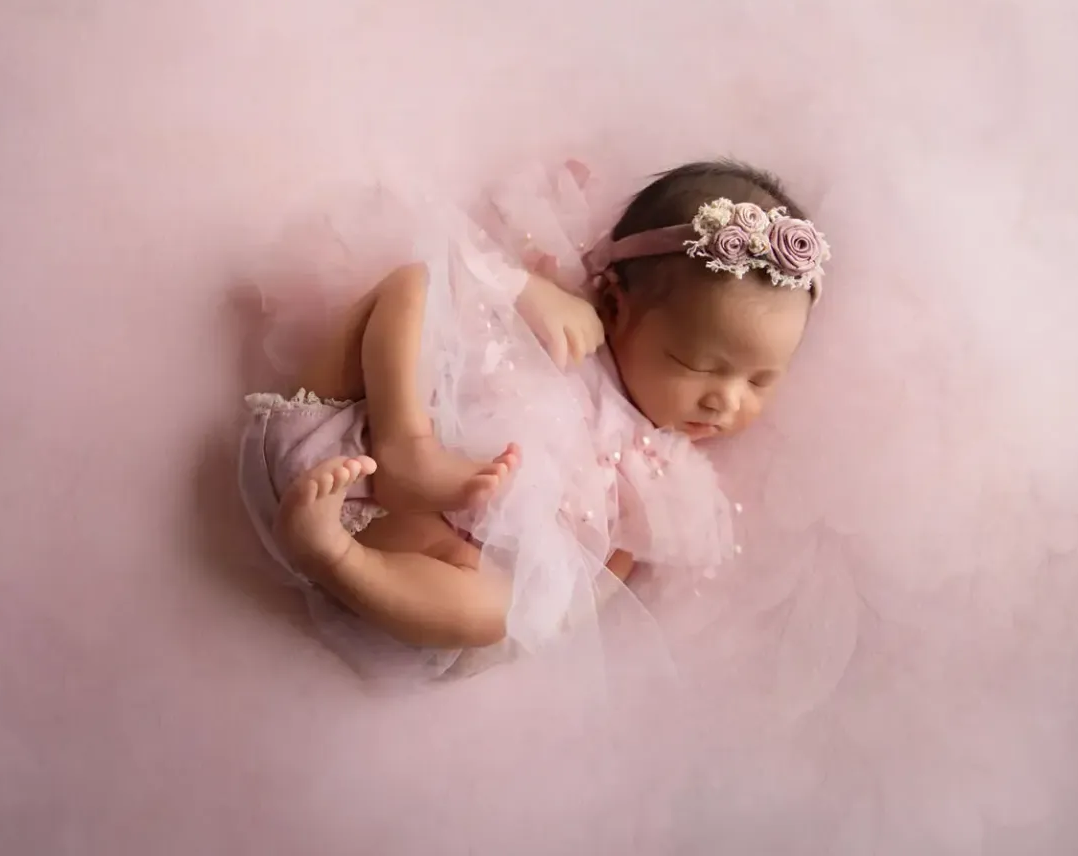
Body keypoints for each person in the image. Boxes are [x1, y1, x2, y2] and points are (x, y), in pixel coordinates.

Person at [238, 160, 830, 662]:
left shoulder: (656, 478)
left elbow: (585, 592)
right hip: (333, 425)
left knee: (496, 613)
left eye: (760, 380)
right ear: (616, 304)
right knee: (415, 283)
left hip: (385, 540)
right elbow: (458, 270)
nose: (725, 399)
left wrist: (558, 597)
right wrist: (521, 289)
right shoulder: (572, 316)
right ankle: (405, 443)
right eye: (697, 364)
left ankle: (333, 559)